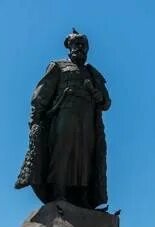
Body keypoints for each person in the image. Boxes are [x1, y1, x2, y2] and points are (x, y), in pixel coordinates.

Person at [16, 29, 111, 209]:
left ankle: (83, 197)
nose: (80, 48)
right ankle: (59, 192)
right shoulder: (58, 66)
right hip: (64, 116)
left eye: (83, 46)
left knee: (85, 158)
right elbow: (41, 95)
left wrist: (99, 96)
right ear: (69, 48)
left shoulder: (92, 73)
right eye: (77, 45)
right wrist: (35, 121)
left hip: (88, 120)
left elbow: (107, 103)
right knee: (62, 153)